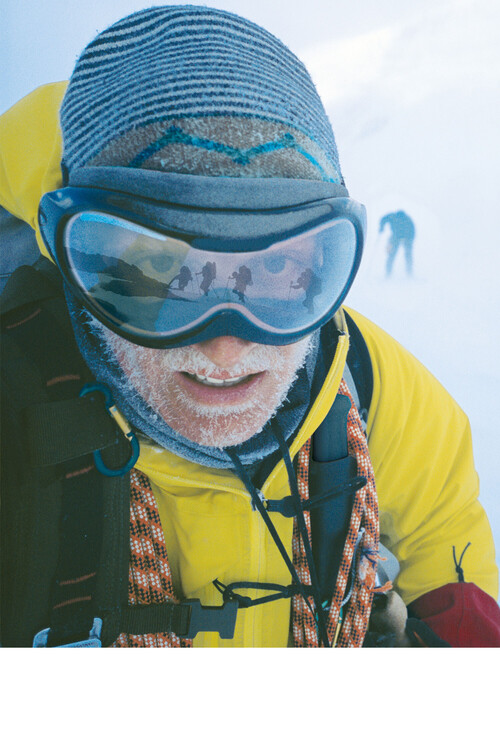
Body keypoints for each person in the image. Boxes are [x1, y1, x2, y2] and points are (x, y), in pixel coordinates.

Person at [1, 5, 499, 648]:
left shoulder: (372, 387)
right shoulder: (17, 398)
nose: (226, 345)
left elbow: (447, 546)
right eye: (160, 270)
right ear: (78, 263)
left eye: (279, 269)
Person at [379, 210, 416, 277]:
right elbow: (383, 219)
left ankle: (409, 272)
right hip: (396, 237)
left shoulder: (407, 220)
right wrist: (381, 227)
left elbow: (412, 231)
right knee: (392, 254)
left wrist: (410, 240)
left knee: (407, 255)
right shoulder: (392, 217)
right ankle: (388, 273)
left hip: (406, 237)